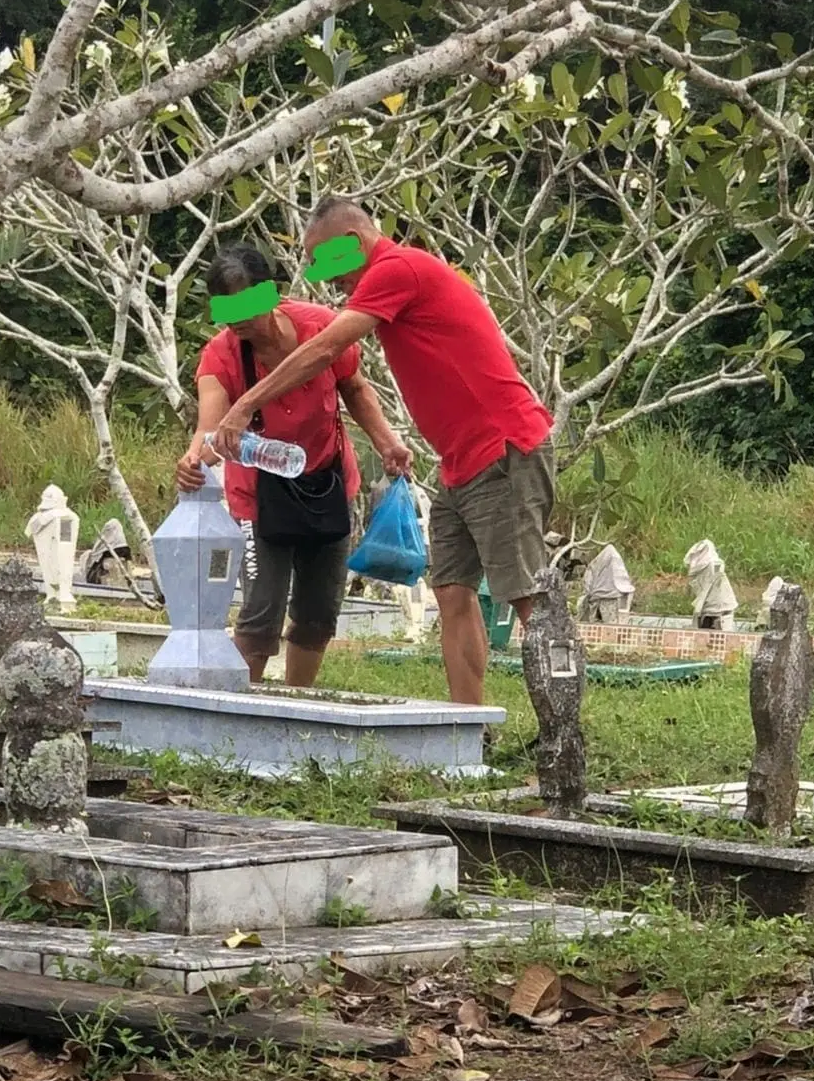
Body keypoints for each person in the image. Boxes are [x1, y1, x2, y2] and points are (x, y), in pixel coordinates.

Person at [202, 200, 555, 705]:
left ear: (355, 239)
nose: (327, 280)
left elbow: (328, 355)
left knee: (528, 597)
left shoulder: (397, 267)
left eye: (328, 262)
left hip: (504, 448)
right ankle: (463, 727)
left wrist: (246, 407)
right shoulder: (228, 347)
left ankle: (562, 728)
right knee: (452, 593)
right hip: (458, 463)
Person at [176, 241, 409, 688]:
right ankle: (240, 715)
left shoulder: (319, 329)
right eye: (228, 310)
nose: (239, 320)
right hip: (259, 497)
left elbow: (355, 389)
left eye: (247, 304)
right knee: (261, 609)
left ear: (269, 293)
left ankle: (298, 705)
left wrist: (386, 442)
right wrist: (194, 460)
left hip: (326, 484)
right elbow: (210, 427)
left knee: (318, 610)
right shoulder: (221, 355)